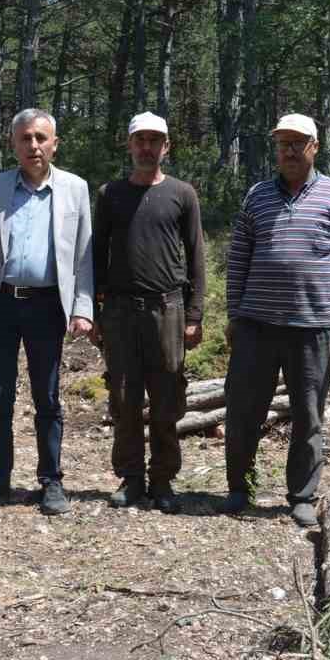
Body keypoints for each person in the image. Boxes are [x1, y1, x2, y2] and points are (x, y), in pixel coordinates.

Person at [222, 113, 330, 527]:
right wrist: (234, 315)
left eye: (297, 143)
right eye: (282, 142)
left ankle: (302, 495)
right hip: (256, 325)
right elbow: (239, 259)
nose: (288, 150)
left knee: (308, 413)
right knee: (243, 410)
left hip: (313, 327)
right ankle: (239, 488)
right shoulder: (257, 196)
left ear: (314, 147)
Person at [0, 108, 95, 517]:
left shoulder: (75, 188)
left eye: (41, 138)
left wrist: (83, 307)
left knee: (48, 397)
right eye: (26, 138)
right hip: (0, 302)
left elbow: (84, 256)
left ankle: (51, 481)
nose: (33, 145)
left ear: (54, 143)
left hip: (48, 304)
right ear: (13, 143)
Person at [91, 111, 206, 514]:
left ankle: (162, 480)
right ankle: (131, 477)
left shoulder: (182, 194)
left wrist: (195, 315)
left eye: (154, 140)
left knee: (167, 397)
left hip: (168, 309)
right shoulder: (110, 194)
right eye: (140, 140)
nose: (146, 147)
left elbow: (196, 257)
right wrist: (95, 312)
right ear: (129, 144)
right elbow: (96, 257)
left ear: (166, 147)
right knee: (123, 397)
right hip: (121, 311)